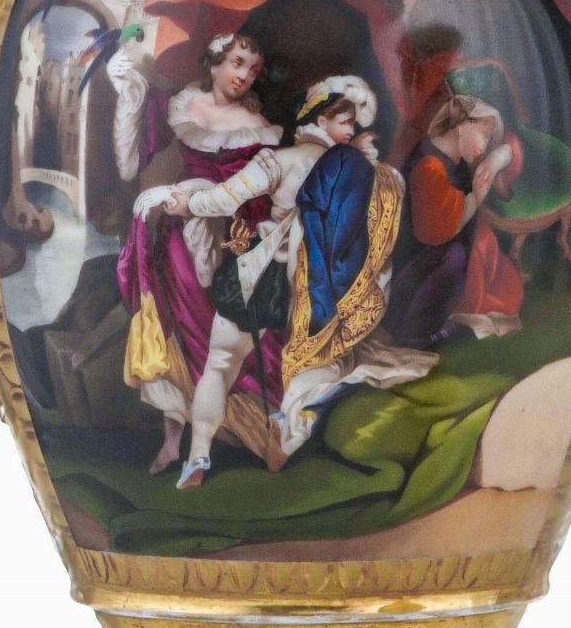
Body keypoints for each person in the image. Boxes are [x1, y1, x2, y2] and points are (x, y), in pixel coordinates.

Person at [137, 76, 434, 487]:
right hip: (313, 291)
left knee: (220, 364)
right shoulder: (356, 173)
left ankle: (199, 456)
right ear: (320, 119)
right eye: (345, 122)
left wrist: (187, 203)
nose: (351, 131)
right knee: (310, 367)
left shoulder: (282, 160)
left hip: (261, 278)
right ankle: (286, 426)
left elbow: (224, 199)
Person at [110, 30, 284, 473]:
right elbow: (138, 148)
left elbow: (255, 195)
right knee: (170, 334)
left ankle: (233, 439)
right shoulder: (185, 103)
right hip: (176, 242)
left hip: (228, 244)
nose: (244, 75)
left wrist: (196, 197)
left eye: (252, 69)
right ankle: (172, 441)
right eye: (236, 63)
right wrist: (129, 85)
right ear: (214, 63)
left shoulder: (256, 126)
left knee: (216, 343)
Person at [386, 93, 529, 346]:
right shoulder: (430, 165)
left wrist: (496, 159)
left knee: (470, 264)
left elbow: (511, 144)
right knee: (454, 261)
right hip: (421, 259)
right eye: (484, 135)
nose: (485, 145)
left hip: (443, 255)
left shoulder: (458, 157)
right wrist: (476, 197)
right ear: (461, 126)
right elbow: (434, 232)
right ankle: (416, 333)